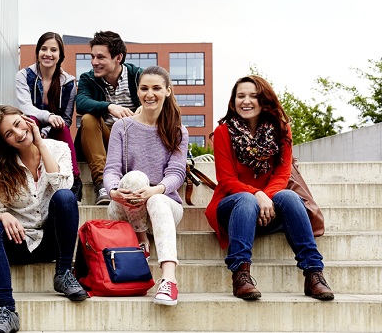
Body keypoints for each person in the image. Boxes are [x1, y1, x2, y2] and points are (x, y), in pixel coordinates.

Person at [206, 75, 334, 301]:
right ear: (233, 101)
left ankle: (313, 273)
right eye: (240, 96)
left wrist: (265, 196)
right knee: (246, 199)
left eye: (253, 96)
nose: (246, 101)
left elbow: (283, 174)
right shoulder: (223, 133)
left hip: (271, 208)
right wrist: (256, 194)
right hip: (233, 207)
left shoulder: (281, 130)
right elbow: (226, 180)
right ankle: (240, 275)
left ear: (264, 99)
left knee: (290, 196)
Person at [0, 105, 87, 333]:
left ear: (27, 119)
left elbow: (63, 186)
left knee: (66, 197)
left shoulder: (59, 148)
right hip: (19, 243)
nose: (18, 134)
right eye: (9, 133)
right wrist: (3, 215)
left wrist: (39, 142)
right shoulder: (1, 167)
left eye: (18, 124)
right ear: (5, 142)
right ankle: (7, 310)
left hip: (51, 241)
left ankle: (64, 274)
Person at [103, 66, 188, 306]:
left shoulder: (178, 131)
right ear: (138, 92)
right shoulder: (122, 127)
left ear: (168, 91)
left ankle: (169, 279)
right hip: (125, 206)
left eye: (156, 88)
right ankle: (141, 239)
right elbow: (111, 170)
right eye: (144, 88)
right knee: (135, 177)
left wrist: (155, 190)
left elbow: (176, 172)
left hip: (164, 205)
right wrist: (112, 192)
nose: (150, 94)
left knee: (157, 198)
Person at [75, 31, 143, 205]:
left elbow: (162, 99)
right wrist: (109, 107)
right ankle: (101, 185)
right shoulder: (88, 78)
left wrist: (145, 108)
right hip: (104, 140)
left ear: (118, 57)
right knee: (88, 118)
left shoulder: (138, 76)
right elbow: (81, 103)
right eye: (92, 57)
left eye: (100, 57)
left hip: (132, 141)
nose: (94, 62)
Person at [15, 32, 83, 201]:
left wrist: (45, 131)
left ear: (60, 55)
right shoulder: (24, 76)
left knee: (63, 126)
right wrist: (49, 116)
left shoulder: (68, 82)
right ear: (38, 52)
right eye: (44, 49)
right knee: (33, 119)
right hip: (31, 126)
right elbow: (26, 107)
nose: (48, 54)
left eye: (53, 50)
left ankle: (75, 178)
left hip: (53, 130)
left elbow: (66, 119)